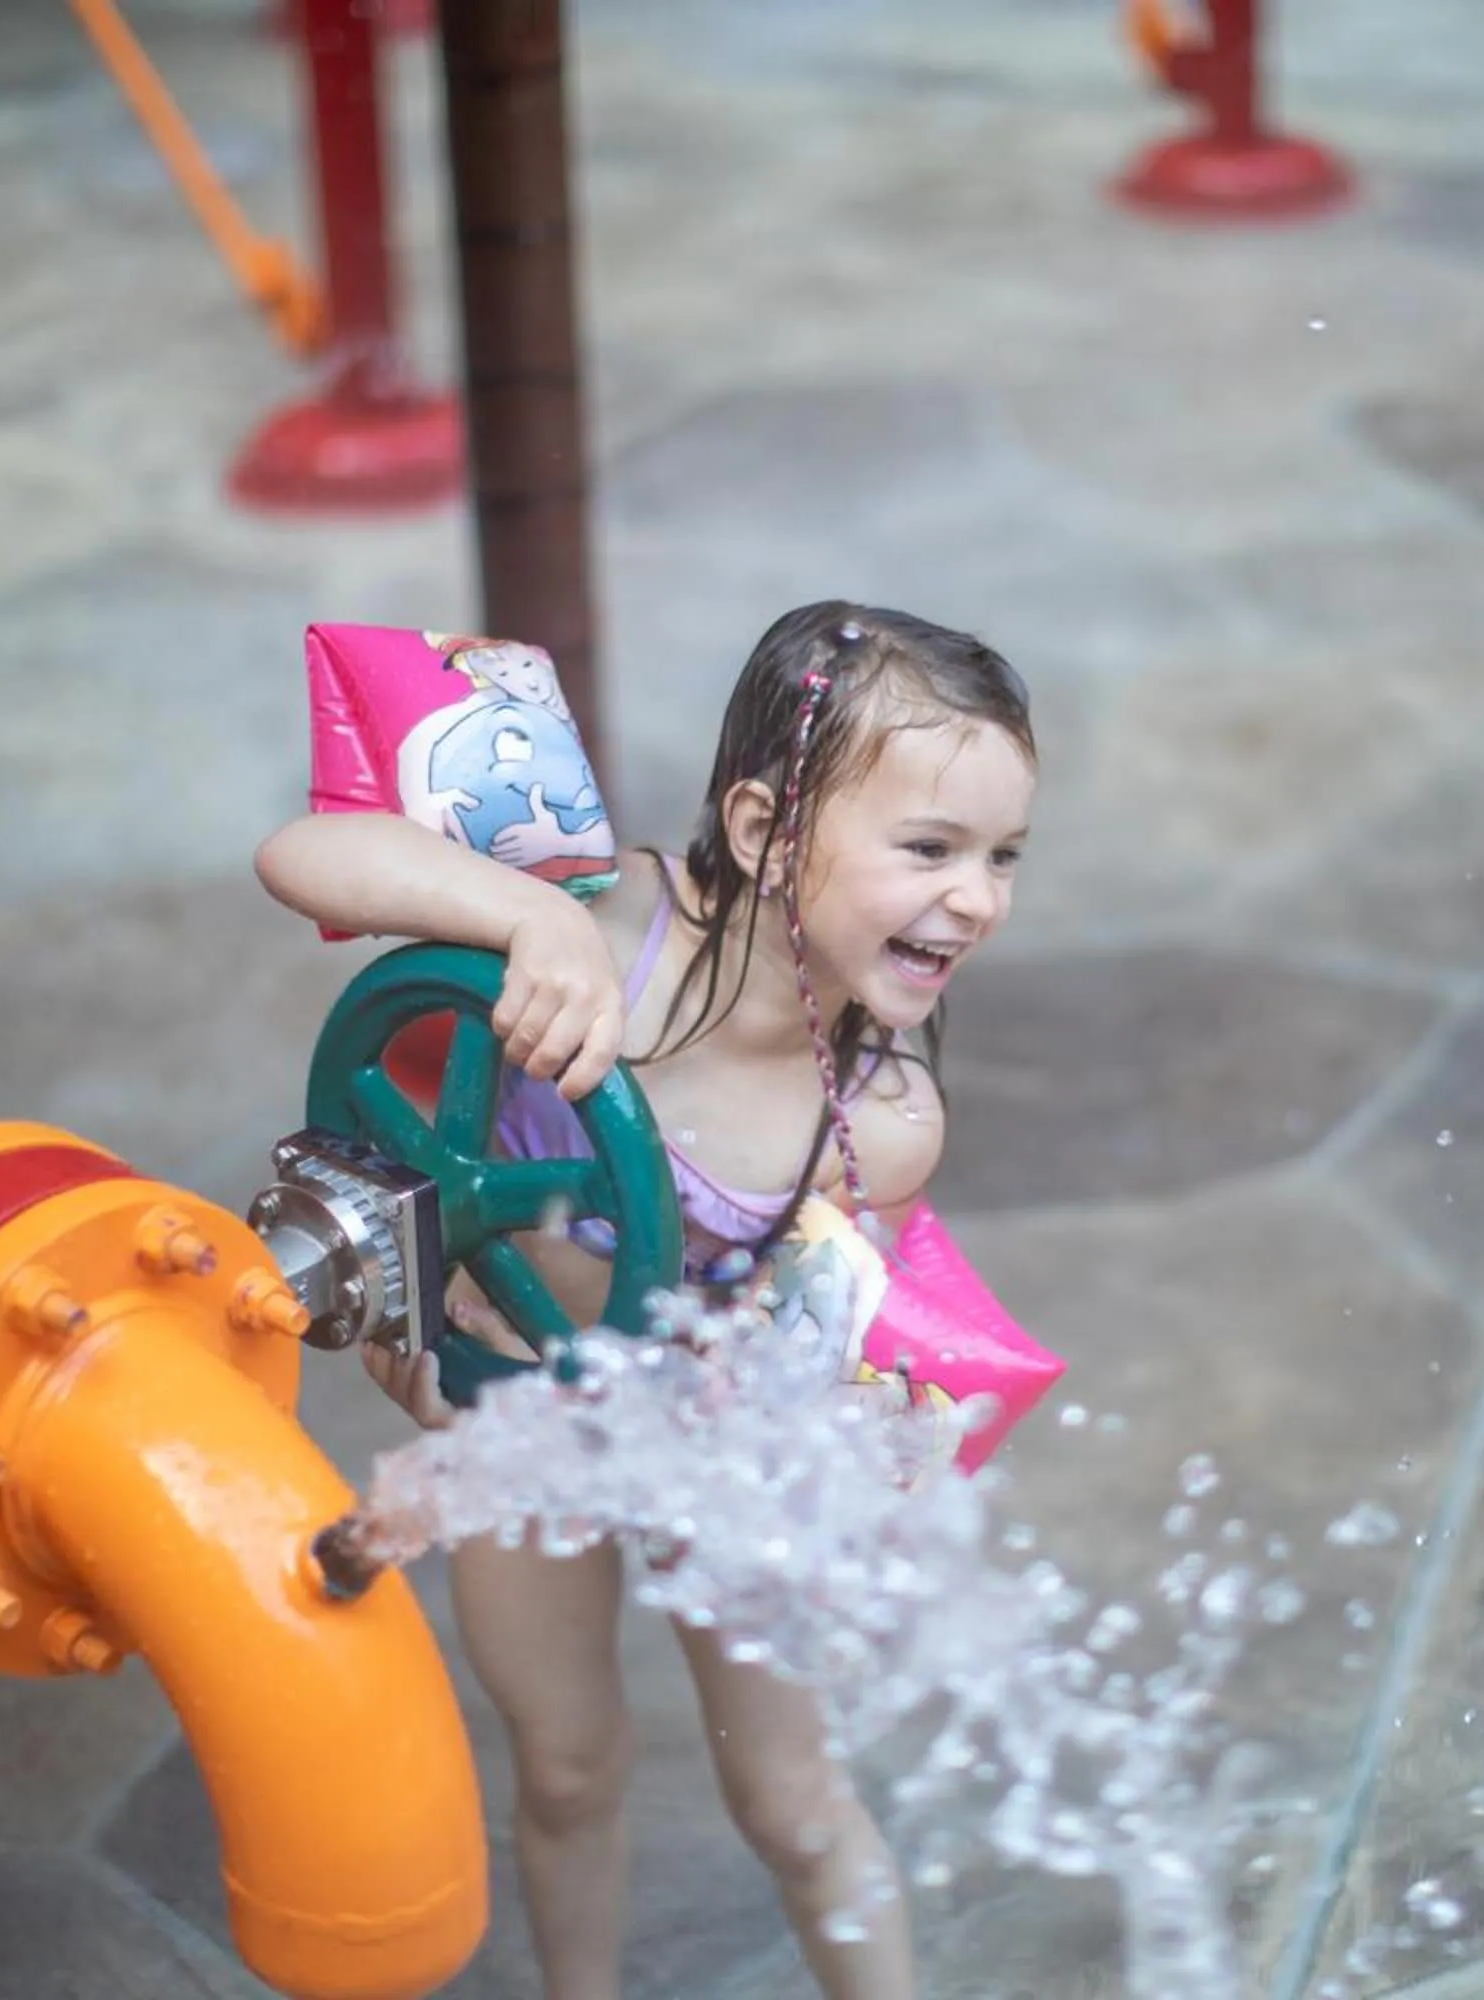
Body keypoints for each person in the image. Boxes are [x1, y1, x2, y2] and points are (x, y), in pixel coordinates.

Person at [252, 600, 1038, 2000]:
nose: (977, 896)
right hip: (509, 1409)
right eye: (931, 848)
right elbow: (300, 854)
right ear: (761, 831)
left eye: (1002, 857)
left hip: (708, 1442)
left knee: (793, 1807)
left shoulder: (880, 1119)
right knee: (564, 1768)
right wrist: (520, 917)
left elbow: (816, 1349)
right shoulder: (604, 923)